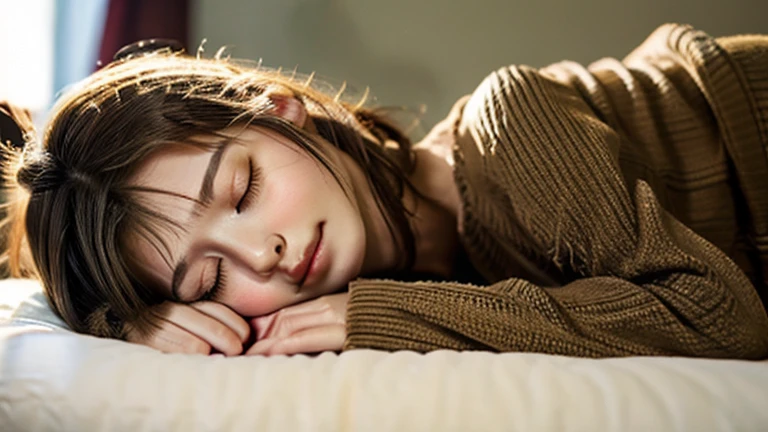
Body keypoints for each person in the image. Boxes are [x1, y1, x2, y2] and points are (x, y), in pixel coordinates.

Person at [4, 23, 768, 358]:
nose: (261, 254)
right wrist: (131, 326)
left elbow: (719, 316)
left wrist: (383, 315)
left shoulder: (512, 124)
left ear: (282, 113)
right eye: (209, 278)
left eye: (243, 190)